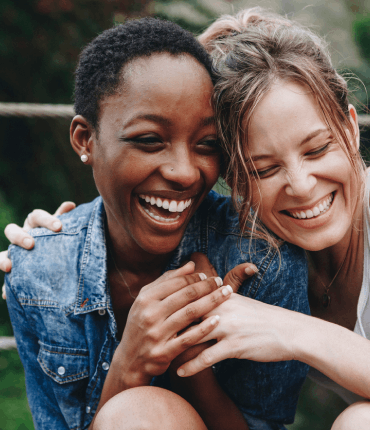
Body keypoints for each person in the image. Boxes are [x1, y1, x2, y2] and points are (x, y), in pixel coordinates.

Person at [2, 17, 310, 430]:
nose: (185, 173)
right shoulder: (37, 272)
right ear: (85, 140)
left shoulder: (261, 257)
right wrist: (130, 365)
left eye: (207, 145)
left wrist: (193, 362)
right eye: (149, 140)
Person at [170, 8, 370, 430]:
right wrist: (54, 242)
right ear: (234, 181)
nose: (301, 185)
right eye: (264, 169)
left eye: (317, 149)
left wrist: (294, 332)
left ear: (350, 128)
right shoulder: (246, 246)